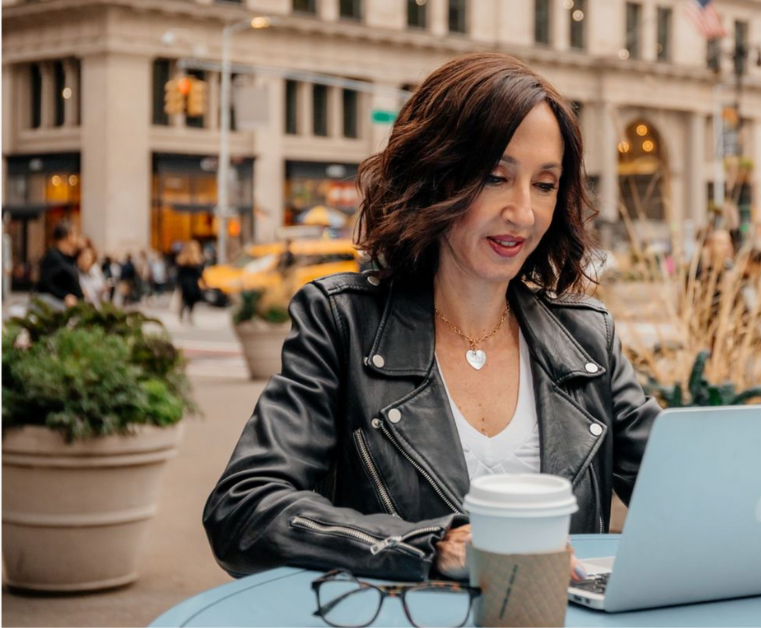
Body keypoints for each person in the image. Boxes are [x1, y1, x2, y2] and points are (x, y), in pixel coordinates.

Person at [202, 53, 660, 584]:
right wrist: (430, 546)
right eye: (495, 177)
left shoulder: (587, 337)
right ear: (434, 177)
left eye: (544, 184)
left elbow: (685, 491)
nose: (523, 213)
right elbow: (243, 509)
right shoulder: (343, 324)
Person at [35, 221, 83, 308]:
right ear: (68, 236)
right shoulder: (53, 257)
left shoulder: (69, 258)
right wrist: (64, 296)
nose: (77, 238)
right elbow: (47, 283)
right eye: (75, 234)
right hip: (56, 306)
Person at [175, 241, 206, 324]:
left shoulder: (182, 259)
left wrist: (178, 283)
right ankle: (189, 314)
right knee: (191, 300)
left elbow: (179, 274)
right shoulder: (197, 260)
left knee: (185, 300)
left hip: (185, 283)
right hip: (192, 283)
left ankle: (182, 313)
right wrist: (203, 281)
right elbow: (199, 273)